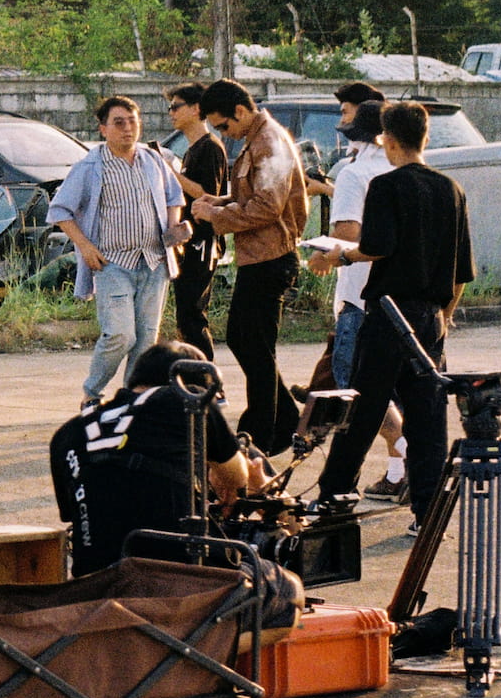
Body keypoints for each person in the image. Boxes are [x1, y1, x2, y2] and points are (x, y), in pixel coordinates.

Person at [310, 101, 476, 527]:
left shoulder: (386, 185)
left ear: (388, 140)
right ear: (426, 137)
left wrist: (339, 256)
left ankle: (333, 495)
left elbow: (377, 246)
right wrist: (444, 316)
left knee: (363, 412)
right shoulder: (452, 189)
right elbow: (461, 271)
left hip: (388, 314)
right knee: (428, 419)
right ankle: (428, 511)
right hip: (430, 316)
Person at [51, 341, 270, 576]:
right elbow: (237, 477)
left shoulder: (67, 434)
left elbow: (77, 512)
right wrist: (225, 477)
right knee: (279, 581)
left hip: (96, 580)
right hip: (181, 577)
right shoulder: (189, 400)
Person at [190, 79, 309, 456]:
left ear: (240, 111)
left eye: (224, 125)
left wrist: (215, 215)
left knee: (254, 345)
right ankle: (284, 420)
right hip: (259, 257)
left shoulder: (269, 141)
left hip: (271, 259)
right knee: (246, 341)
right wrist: (220, 201)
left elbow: (267, 207)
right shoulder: (257, 139)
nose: (224, 134)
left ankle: (261, 433)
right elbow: (253, 196)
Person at [48, 96, 190, 408]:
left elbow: (174, 197)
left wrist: (173, 229)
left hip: (153, 262)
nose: (128, 128)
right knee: (120, 335)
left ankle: (133, 398)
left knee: (146, 339)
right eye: (119, 122)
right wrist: (85, 247)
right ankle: (92, 393)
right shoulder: (90, 167)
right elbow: (59, 210)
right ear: (103, 129)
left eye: (133, 121)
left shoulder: (153, 160)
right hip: (113, 263)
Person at [303, 100, 408, 500]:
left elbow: (347, 233)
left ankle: (405, 456)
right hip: (405, 298)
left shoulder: (354, 173)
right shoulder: (406, 171)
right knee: (398, 393)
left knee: (360, 392)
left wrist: (324, 253)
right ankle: (399, 472)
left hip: (360, 295)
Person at [164, 84, 228, 359]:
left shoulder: (210, 148)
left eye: (176, 107)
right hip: (188, 240)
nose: (171, 113)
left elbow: (207, 194)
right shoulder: (192, 149)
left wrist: (171, 173)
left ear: (196, 109)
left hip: (203, 242)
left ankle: (205, 371)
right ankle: (194, 368)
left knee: (193, 313)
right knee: (185, 313)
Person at [309, 81, 387, 197]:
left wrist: (322, 188)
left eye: (345, 113)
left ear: (363, 112)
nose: (342, 120)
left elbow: (361, 201)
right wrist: (324, 187)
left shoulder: (363, 167)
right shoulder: (374, 156)